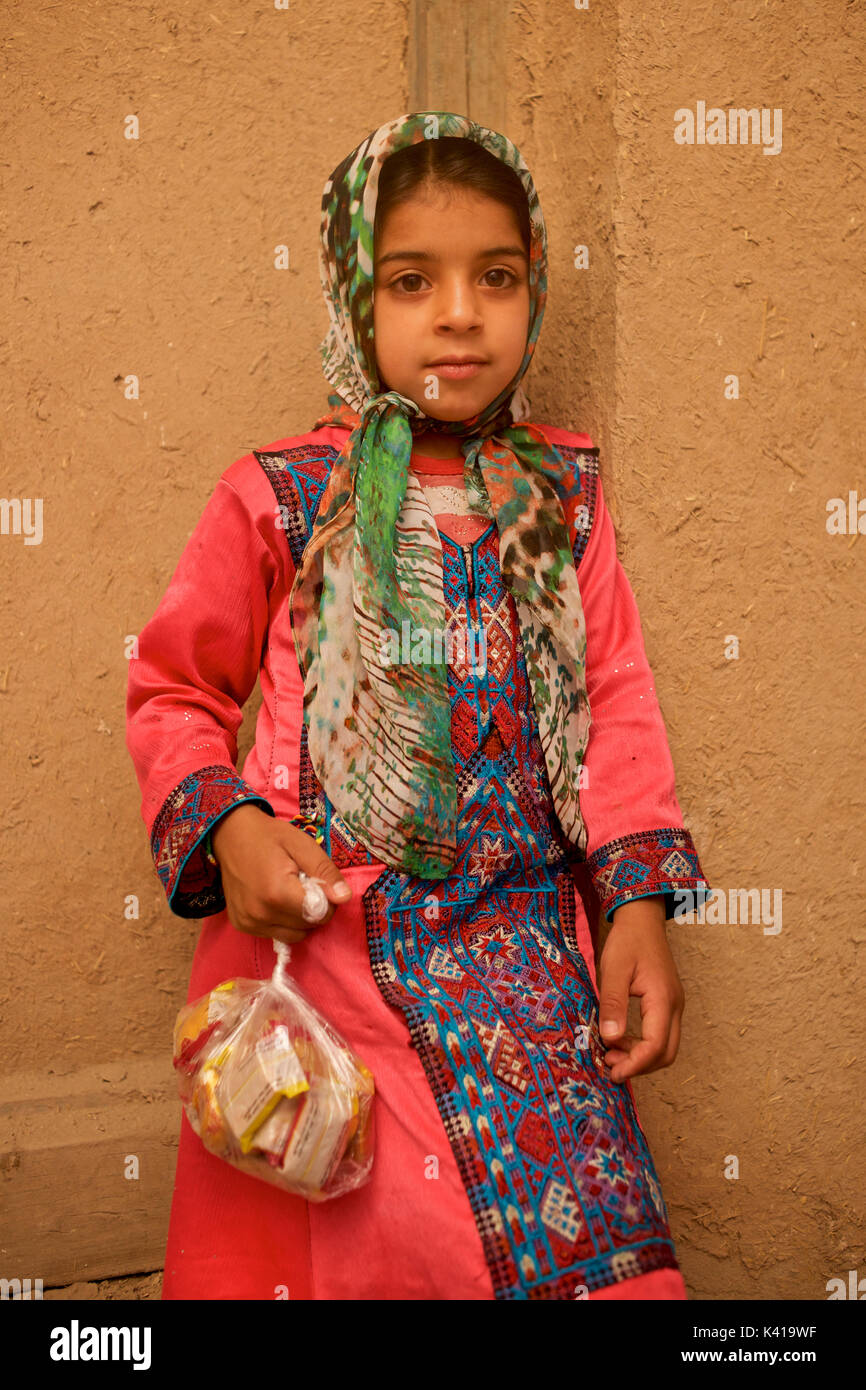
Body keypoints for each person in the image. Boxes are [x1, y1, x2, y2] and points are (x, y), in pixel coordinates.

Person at [126, 110, 711, 1301]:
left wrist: (637, 900)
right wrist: (232, 827)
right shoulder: (282, 497)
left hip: (529, 965)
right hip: (325, 958)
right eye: (411, 280)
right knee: (356, 1250)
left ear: (533, 291)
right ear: (354, 299)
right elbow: (173, 687)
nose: (458, 313)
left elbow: (614, 707)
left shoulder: (564, 502)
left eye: (495, 276)